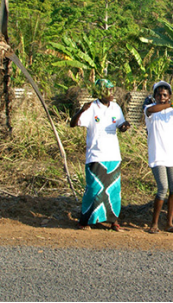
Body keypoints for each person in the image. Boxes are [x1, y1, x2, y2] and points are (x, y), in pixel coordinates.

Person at [70, 79, 131, 231]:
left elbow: (120, 125)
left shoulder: (116, 107)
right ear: (99, 91)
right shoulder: (91, 108)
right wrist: (81, 110)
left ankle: (113, 221)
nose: (111, 93)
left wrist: (124, 126)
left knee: (113, 191)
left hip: (113, 155)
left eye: (112, 90)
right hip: (96, 155)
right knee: (94, 190)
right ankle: (84, 221)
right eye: (108, 90)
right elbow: (73, 123)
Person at [144, 81, 173, 234]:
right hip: (157, 157)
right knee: (162, 188)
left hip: (172, 157)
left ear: (169, 95)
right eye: (159, 95)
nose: (162, 97)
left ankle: (169, 223)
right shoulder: (149, 110)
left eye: (165, 95)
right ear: (154, 96)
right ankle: (154, 223)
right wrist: (170, 104)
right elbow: (152, 109)